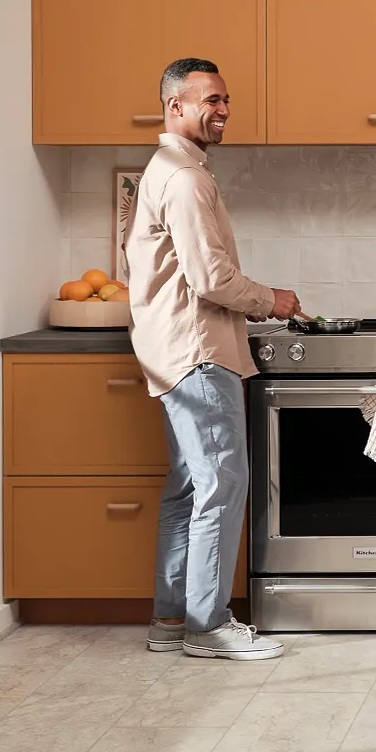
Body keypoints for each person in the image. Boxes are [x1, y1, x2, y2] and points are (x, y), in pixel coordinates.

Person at [127, 57, 301, 660]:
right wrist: (272, 300)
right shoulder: (185, 178)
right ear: (174, 106)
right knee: (223, 483)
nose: (223, 110)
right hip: (199, 352)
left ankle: (172, 620)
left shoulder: (171, 170)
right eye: (210, 101)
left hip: (171, 352)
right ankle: (209, 625)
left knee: (188, 488)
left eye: (226, 99)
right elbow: (211, 278)